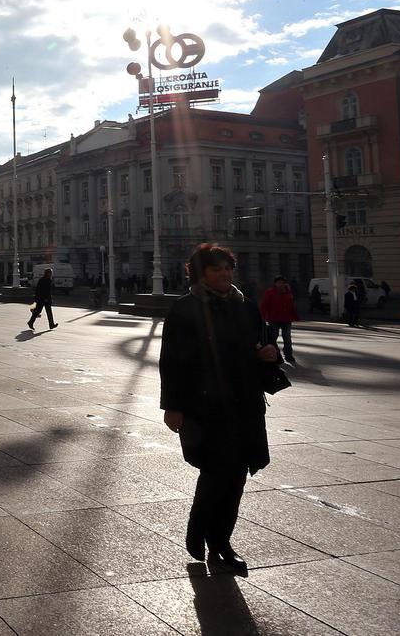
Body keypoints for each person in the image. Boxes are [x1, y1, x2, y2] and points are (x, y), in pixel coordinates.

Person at [160, 243, 280, 574]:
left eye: (228, 268)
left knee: (237, 475)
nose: (225, 274)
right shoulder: (185, 309)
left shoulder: (247, 308)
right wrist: (172, 407)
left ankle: (222, 541)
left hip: (245, 404)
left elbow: (264, 345)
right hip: (205, 405)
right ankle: (200, 528)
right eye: (216, 269)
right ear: (201, 274)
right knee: (216, 472)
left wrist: (271, 355)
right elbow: (171, 363)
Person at [259, 276, 299, 365]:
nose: (281, 284)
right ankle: (274, 355)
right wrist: (263, 317)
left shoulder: (288, 293)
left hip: (286, 319)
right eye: (279, 282)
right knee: (273, 337)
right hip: (274, 319)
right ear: (275, 284)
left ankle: (288, 355)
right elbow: (264, 305)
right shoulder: (270, 292)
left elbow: (291, 306)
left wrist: (295, 316)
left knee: (287, 338)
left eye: (282, 282)